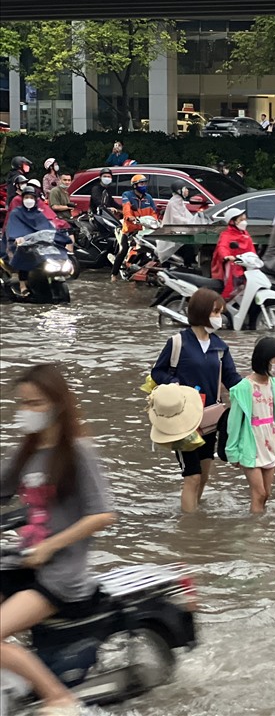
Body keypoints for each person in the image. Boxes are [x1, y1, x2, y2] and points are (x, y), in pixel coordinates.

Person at [0, 364, 117, 716]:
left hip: (61, 573)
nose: (27, 412)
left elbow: (103, 514)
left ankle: (58, 698)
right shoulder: (27, 452)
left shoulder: (78, 451)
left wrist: (51, 546)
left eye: (35, 404)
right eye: (23, 404)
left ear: (57, 404)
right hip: (24, 562)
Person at [150, 288, 242, 513]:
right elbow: (157, 372)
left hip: (209, 419)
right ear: (202, 312)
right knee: (192, 476)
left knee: (204, 472)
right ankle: (189, 529)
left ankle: (195, 516)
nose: (219, 317)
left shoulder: (220, 347)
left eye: (220, 312)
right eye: (216, 312)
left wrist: (254, 391)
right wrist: (173, 383)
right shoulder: (178, 342)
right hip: (182, 422)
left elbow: (232, 379)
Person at [226, 337, 275, 514]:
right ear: (264, 359)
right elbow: (234, 422)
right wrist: (233, 451)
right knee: (259, 493)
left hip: (270, 442)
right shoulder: (243, 388)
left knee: (266, 494)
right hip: (250, 445)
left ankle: (260, 527)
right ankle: (255, 534)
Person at [6, 185, 57, 296]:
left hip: (37, 243)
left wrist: (55, 235)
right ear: (23, 199)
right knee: (24, 255)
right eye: (26, 197)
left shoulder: (39, 214)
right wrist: (17, 238)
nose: (29, 200)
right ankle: (22, 285)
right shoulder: (16, 213)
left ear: (35, 199)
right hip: (20, 244)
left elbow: (47, 227)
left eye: (31, 197)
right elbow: (13, 228)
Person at [113, 174, 157, 283]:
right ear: (135, 185)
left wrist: (155, 221)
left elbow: (154, 213)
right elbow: (126, 208)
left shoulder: (148, 198)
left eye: (145, 183)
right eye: (141, 183)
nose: (144, 185)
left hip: (143, 230)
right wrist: (130, 217)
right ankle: (113, 275)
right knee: (122, 250)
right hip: (129, 229)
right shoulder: (127, 195)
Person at [211, 208, 256, 300]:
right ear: (232, 222)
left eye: (244, 219)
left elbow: (251, 250)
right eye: (241, 220)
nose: (244, 222)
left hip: (245, 265)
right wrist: (227, 256)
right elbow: (222, 247)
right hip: (232, 265)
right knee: (230, 288)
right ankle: (223, 303)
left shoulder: (245, 234)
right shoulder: (226, 235)